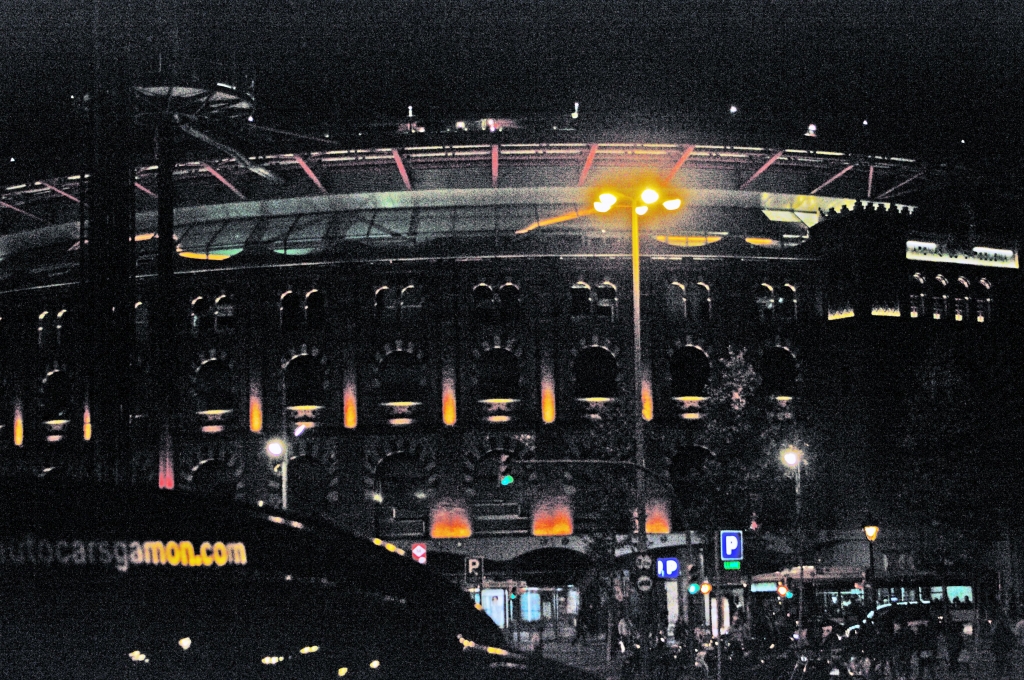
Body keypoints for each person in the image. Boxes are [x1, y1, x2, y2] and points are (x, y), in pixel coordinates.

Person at [991, 615, 1016, 679]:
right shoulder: (1007, 628)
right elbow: (1012, 637)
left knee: (999, 664)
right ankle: (1008, 675)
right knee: (1007, 663)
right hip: (1004, 648)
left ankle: (999, 675)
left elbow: (994, 638)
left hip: (999, 648)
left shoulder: (997, 629)